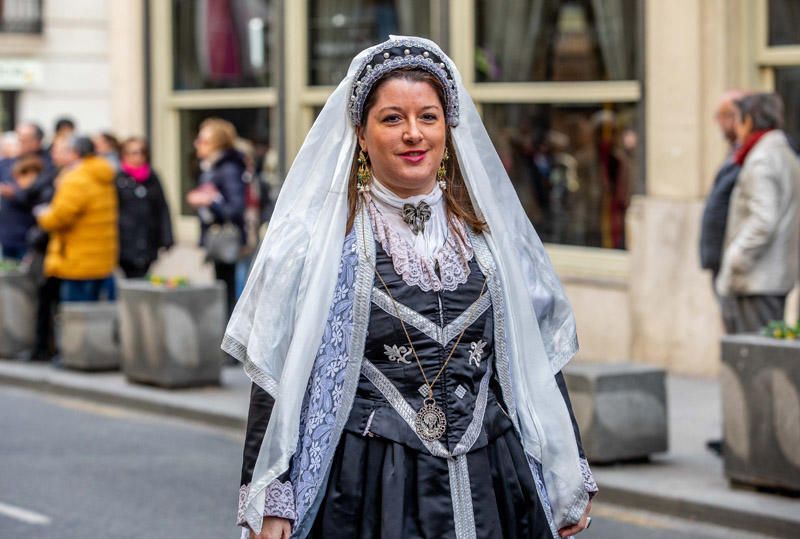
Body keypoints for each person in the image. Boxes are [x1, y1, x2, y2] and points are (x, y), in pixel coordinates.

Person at [227, 37, 595, 539]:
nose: (413, 134)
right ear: (361, 133)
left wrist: (565, 467)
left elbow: (536, 362)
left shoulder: (488, 238)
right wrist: (270, 495)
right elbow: (274, 378)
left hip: (492, 480)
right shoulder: (316, 244)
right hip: (369, 484)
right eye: (392, 118)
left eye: (428, 117)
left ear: (448, 128)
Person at [716, 93, 800, 333]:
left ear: (749, 121)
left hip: (757, 280)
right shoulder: (781, 152)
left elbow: (763, 220)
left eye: (739, 120)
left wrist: (735, 259)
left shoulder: (763, 158)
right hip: (769, 277)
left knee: (754, 359)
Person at [37, 136, 118, 303]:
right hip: (100, 256)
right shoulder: (101, 173)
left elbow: (59, 217)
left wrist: (43, 215)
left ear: (75, 153)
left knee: (77, 316)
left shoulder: (77, 179)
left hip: (77, 259)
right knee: (95, 315)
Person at [186, 118, 246, 319]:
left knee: (229, 289)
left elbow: (235, 208)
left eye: (203, 140)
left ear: (217, 144)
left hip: (227, 238)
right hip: (216, 237)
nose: (197, 144)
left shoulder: (227, 168)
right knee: (223, 286)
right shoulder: (210, 167)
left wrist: (209, 201)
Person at [700, 90, 747, 284]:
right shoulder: (735, 152)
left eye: (721, 115)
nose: (717, 122)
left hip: (734, 260)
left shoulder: (749, 155)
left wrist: (734, 256)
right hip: (723, 257)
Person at [116, 136, 173, 278]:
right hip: (125, 241)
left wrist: (167, 237)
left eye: (142, 152)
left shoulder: (152, 177)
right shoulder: (118, 179)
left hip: (148, 239)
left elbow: (162, 207)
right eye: (133, 153)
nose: (139, 157)